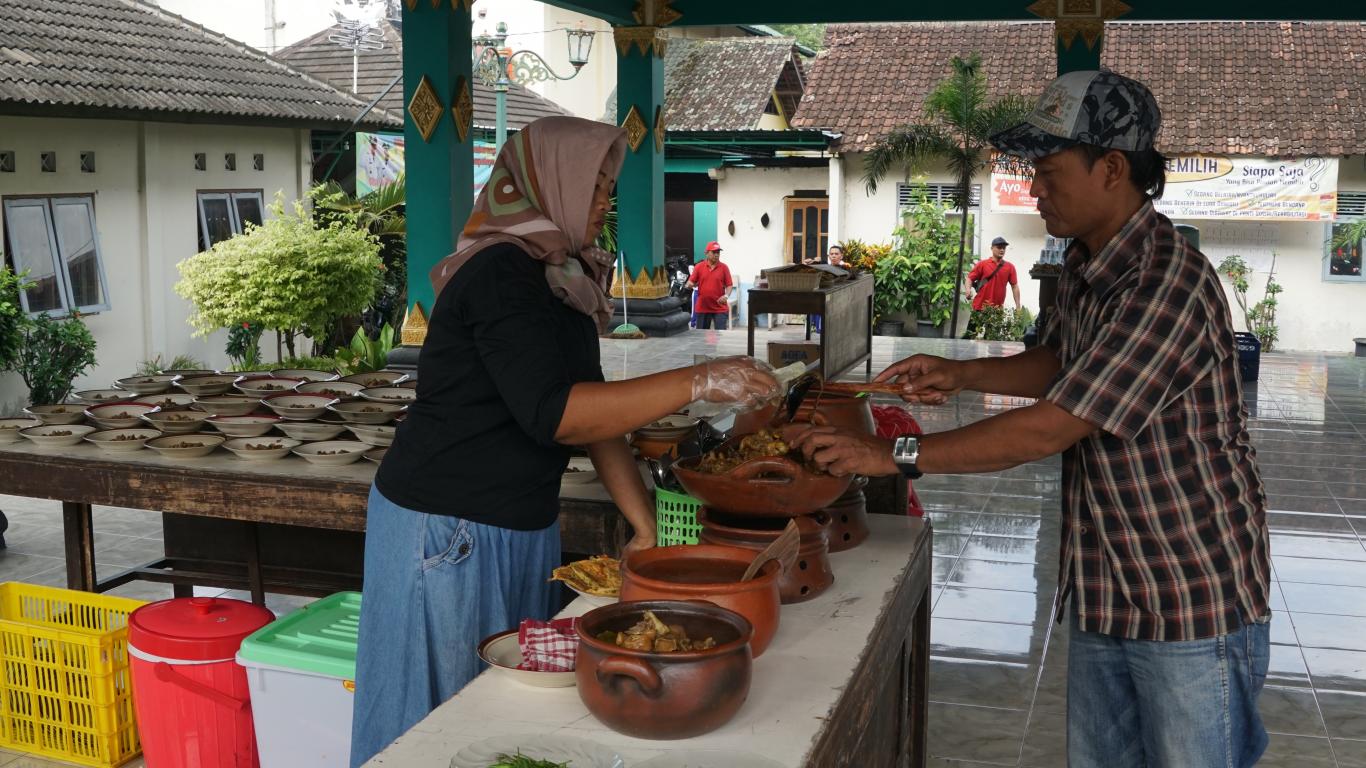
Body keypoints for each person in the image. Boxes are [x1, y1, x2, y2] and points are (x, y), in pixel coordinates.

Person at [783, 71, 1271, 768]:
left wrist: (890, 456)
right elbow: (1060, 362)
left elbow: (1054, 424)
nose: (1034, 188)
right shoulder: (1084, 263)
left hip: (1189, 589)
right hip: (1110, 579)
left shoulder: (1168, 282)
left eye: (1046, 171)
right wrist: (964, 373)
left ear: (1111, 169)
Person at [349, 116, 779, 766]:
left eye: (609, 185)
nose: (606, 201)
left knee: (501, 714)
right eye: (597, 185)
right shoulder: (502, 273)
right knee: (427, 729)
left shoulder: (562, 277)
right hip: (446, 531)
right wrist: (698, 378)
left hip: (518, 527)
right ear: (550, 184)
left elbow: (593, 405)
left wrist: (644, 527)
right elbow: (558, 415)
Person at [962, 236, 1021, 338]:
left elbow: (1014, 286)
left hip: (996, 309)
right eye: (999, 247)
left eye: (1004, 248)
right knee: (969, 336)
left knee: (992, 339)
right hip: (980, 306)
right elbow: (969, 278)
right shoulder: (983, 264)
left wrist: (1018, 305)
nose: (1002, 250)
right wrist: (968, 290)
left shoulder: (1010, 267)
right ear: (992, 248)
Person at [687, 241, 734, 330]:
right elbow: (691, 281)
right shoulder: (699, 267)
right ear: (707, 253)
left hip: (719, 307)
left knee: (720, 336)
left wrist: (726, 295)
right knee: (701, 337)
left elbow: (729, 285)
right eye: (714, 252)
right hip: (703, 307)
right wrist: (689, 284)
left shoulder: (724, 268)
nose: (717, 255)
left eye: (718, 252)